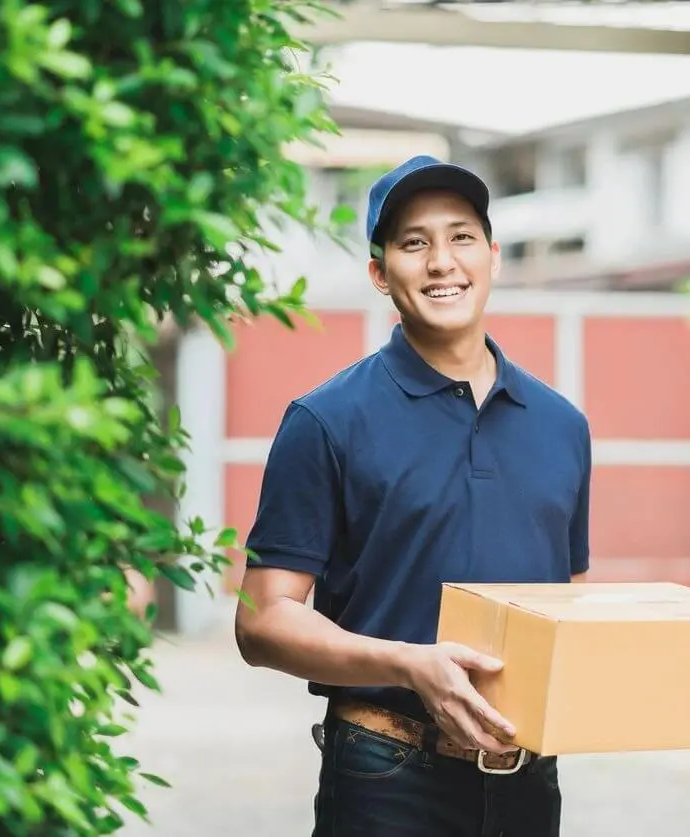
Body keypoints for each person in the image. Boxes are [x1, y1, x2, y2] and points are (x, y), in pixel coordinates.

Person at [233, 155, 592, 837]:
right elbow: (263, 621)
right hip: (387, 774)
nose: (441, 262)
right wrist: (406, 661)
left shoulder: (562, 426)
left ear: (493, 256)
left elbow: (567, 601)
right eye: (413, 243)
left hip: (528, 779)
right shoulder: (325, 420)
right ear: (379, 272)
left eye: (461, 237)